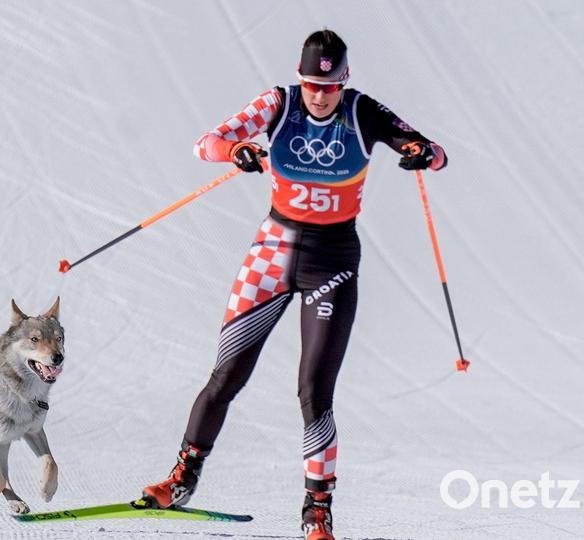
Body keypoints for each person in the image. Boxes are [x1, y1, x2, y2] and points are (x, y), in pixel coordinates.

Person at [141, 29, 448, 540]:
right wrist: (237, 149)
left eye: (329, 86)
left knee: (313, 391)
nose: (320, 94)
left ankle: (318, 510)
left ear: (344, 80)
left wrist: (421, 152)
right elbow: (205, 144)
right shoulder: (278, 103)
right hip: (272, 254)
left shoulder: (361, 111)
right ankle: (182, 479)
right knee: (227, 375)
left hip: (332, 263)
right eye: (311, 84)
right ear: (299, 77)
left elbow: (435, 151)